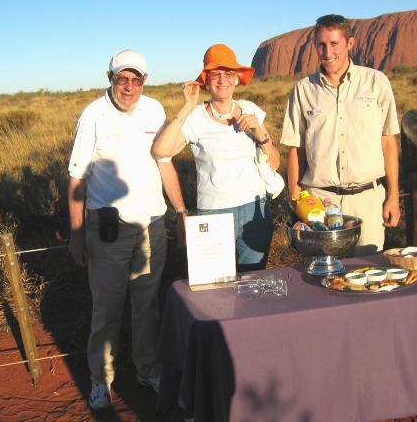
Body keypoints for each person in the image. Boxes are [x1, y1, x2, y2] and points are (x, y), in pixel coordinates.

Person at [67, 49, 187, 410]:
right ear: (110, 77)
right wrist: (75, 234)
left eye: (136, 79)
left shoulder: (155, 110)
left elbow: (164, 162)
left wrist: (180, 211)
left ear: (145, 81)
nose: (129, 86)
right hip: (108, 229)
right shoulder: (93, 115)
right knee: (107, 308)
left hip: (151, 223)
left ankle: (147, 368)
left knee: (147, 304)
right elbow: (77, 177)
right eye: (122, 79)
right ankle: (100, 379)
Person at [152, 44, 280, 271]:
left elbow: (275, 163)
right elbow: (161, 151)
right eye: (216, 74)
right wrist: (187, 106)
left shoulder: (250, 109)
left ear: (237, 79)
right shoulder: (196, 117)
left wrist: (260, 133)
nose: (223, 80)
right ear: (206, 80)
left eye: (229, 73)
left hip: (255, 210)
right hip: (214, 211)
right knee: (214, 285)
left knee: (251, 281)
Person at [280, 14, 401, 254]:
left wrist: (393, 196)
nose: (327, 52)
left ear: (350, 43)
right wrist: (295, 196)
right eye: (322, 45)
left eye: (334, 44)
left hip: (368, 199)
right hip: (320, 202)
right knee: (321, 275)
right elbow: (296, 147)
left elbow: (388, 141)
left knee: (366, 275)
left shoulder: (376, 82)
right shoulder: (304, 89)